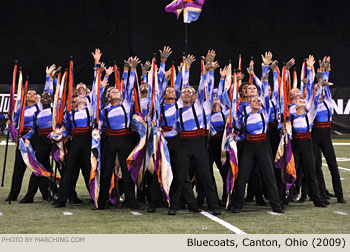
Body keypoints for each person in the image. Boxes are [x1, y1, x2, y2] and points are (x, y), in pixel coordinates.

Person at [165, 60, 221, 216]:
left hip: (199, 145)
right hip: (184, 145)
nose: (186, 93)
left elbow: (205, 86)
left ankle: (214, 206)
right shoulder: (178, 111)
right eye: (184, 92)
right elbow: (174, 131)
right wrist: (162, 134)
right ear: (180, 96)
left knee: (206, 177)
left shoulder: (202, 106)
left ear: (195, 95)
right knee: (180, 177)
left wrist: (207, 71)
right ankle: (174, 206)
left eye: (189, 91)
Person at [231, 69, 284, 213]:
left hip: (262, 146)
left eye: (258, 100)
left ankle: (276, 205)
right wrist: (235, 137)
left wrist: (264, 76)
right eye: (253, 100)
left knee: (269, 176)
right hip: (248, 147)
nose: (256, 101)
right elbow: (239, 131)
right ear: (248, 101)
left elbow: (265, 94)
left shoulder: (265, 113)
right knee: (242, 177)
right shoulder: (244, 115)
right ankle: (238, 205)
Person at [97, 57, 143, 210]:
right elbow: (99, 126)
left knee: (126, 171)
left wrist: (128, 70)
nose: (117, 92)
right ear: (109, 97)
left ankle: (132, 202)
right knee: (106, 172)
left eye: (118, 91)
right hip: (110, 141)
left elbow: (128, 86)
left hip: (124, 140)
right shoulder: (104, 110)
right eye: (114, 91)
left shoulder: (125, 105)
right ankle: (102, 202)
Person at [290, 55, 327, 208]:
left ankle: (316, 199)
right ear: (292, 98)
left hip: (306, 144)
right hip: (294, 144)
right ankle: (288, 197)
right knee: (292, 172)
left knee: (311, 172)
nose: (301, 99)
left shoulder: (310, 115)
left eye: (303, 99)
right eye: (296, 95)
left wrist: (310, 69)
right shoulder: (290, 110)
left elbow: (311, 90)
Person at [312, 57, 345, 204]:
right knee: (316, 166)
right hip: (314, 136)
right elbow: (317, 85)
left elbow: (324, 83)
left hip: (326, 136)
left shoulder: (327, 101)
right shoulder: (311, 103)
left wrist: (325, 68)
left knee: (333, 165)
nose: (318, 90)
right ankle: (320, 193)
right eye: (316, 88)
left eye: (319, 89)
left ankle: (340, 195)